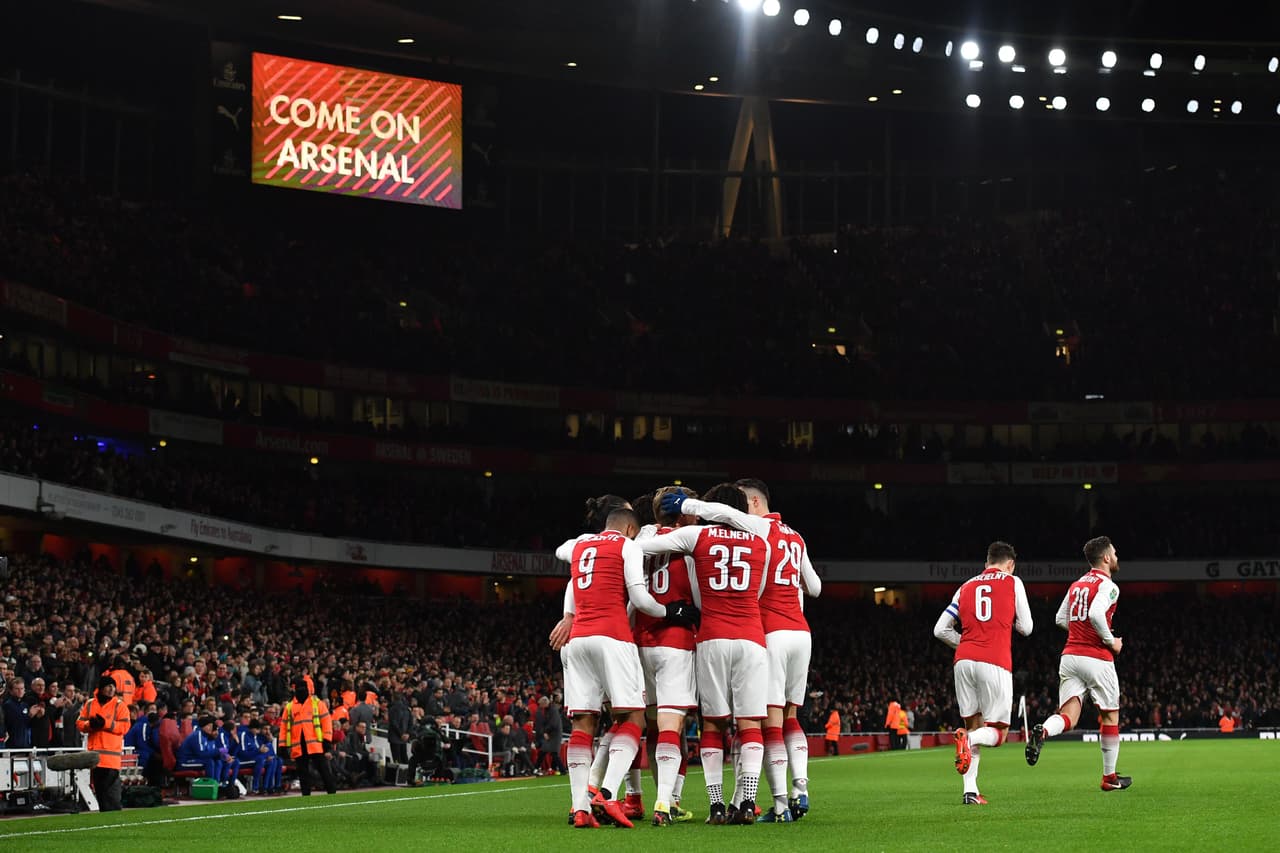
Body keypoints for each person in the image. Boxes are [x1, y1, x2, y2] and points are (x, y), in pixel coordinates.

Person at [662, 477, 822, 822]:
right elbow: (816, 587)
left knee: (740, 722)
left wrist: (685, 507)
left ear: (751, 503)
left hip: (760, 633)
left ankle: (776, 805)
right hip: (797, 632)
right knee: (785, 717)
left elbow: (719, 517)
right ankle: (796, 790)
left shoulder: (751, 533)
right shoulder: (793, 537)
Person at [557, 505, 697, 829]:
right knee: (633, 717)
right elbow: (640, 597)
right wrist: (669, 611)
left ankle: (580, 808)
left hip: (577, 641)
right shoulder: (628, 546)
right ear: (631, 529)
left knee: (583, 724)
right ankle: (607, 793)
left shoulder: (579, 545)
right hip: (613, 638)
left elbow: (560, 550)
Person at [640, 483, 771, 826]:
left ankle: (715, 806)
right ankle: (746, 802)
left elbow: (644, 548)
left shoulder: (696, 536)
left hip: (712, 636)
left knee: (713, 723)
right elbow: (757, 591)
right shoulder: (761, 537)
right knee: (750, 723)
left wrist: (650, 527)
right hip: (751, 636)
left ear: (706, 507)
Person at [1025, 536, 1131, 792]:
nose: (1117, 557)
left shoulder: (1077, 584)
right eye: (1114, 553)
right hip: (1097, 657)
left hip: (1070, 656)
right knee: (1110, 715)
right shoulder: (1108, 585)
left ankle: (1044, 731)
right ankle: (1109, 777)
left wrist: (1081, 631)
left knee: (1068, 716)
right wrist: (1111, 641)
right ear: (1105, 557)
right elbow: (1095, 614)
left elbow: (1061, 618)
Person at [933, 541, 1033, 805]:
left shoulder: (965, 586)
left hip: (963, 661)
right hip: (995, 661)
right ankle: (968, 740)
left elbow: (940, 629)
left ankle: (970, 791)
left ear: (986, 563)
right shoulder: (1014, 582)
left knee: (972, 724)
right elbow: (1027, 628)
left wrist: (967, 643)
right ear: (1010, 564)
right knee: (997, 733)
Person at [76, 676, 130, 811]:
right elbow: (80, 723)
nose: (112, 689)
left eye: (113, 686)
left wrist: (104, 724)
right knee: (101, 793)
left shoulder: (119, 705)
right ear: (101, 688)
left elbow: (124, 727)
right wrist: (91, 725)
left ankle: (113, 816)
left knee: (111, 794)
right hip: (96, 758)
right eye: (108, 686)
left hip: (110, 759)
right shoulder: (90, 704)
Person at [281, 676, 337, 795]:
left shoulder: (317, 704)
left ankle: (332, 792)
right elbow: (284, 727)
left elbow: (326, 722)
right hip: (299, 745)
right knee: (303, 773)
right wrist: (283, 745)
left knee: (323, 770)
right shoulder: (290, 707)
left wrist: (327, 740)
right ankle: (307, 796)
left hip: (315, 744)